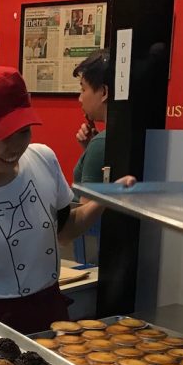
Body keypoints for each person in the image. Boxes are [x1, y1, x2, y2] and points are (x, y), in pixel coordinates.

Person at [0, 67, 134, 335]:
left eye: (23, 131)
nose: (15, 146)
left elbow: (65, 229)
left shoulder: (42, 159)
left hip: (51, 314)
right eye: (0, 137)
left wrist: (106, 199)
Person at [72, 50, 111, 264]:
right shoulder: (109, 139)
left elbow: (86, 217)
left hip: (92, 257)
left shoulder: (101, 143)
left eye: (83, 89)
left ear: (103, 92)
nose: (80, 99)